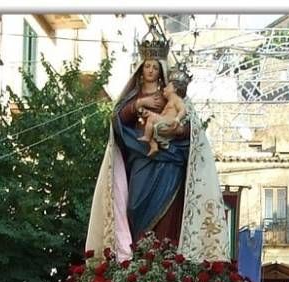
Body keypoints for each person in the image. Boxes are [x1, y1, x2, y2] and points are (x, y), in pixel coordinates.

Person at [85, 33, 228, 263]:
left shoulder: (173, 96)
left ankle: (161, 263)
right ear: (141, 70)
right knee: (134, 207)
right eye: (147, 66)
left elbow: (191, 128)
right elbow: (118, 121)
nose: (150, 70)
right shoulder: (133, 96)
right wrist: (139, 104)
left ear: (161, 70)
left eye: (154, 66)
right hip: (140, 159)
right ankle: (138, 260)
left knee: (168, 217)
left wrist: (176, 130)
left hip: (169, 164)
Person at [138, 79, 189, 158]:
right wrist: (149, 113)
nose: (164, 89)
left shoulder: (177, 100)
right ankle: (154, 146)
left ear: (175, 89)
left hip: (171, 122)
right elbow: (161, 116)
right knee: (149, 125)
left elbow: (183, 110)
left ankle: (147, 137)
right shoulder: (169, 102)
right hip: (164, 121)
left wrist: (177, 119)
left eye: (168, 87)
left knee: (151, 120)